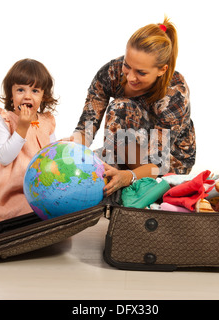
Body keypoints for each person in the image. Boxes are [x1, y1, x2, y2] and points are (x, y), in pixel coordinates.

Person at [70, 17, 196, 197]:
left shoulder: (175, 94)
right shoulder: (112, 71)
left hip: (169, 161)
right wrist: (74, 144)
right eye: (127, 66)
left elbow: (158, 163)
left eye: (141, 72)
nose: (130, 77)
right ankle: (120, 173)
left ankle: (139, 186)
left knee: (121, 108)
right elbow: (87, 125)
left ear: (162, 70)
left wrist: (129, 176)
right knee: (84, 168)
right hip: (125, 147)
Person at [0, 58, 58, 223]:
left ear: (44, 96)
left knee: (57, 205)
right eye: (20, 90)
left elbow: (52, 155)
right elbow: (3, 157)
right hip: (12, 191)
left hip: (39, 188)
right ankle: (1, 213)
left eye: (35, 91)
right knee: (28, 211)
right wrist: (22, 128)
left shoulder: (46, 121)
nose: (27, 96)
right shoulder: (5, 120)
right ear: (11, 94)